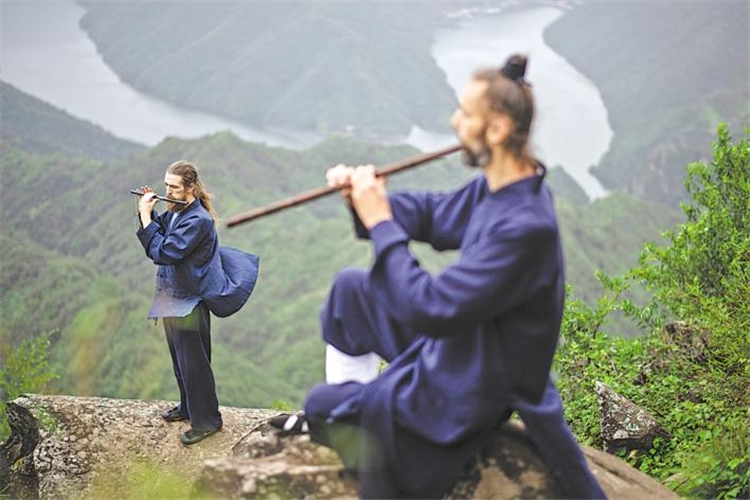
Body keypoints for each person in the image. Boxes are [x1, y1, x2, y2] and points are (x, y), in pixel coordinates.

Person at [273, 54, 606, 498]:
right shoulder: (500, 189)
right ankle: (369, 406)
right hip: (460, 348)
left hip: (471, 381)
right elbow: (435, 215)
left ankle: (373, 414)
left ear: (498, 129)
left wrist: (380, 223)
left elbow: (433, 308)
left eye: (465, 113)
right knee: (351, 291)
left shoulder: (525, 227)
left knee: (319, 405)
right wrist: (370, 200)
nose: (454, 122)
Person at [136, 160, 259, 445]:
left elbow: (164, 251)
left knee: (195, 363)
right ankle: (188, 407)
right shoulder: (177, 212)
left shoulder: (198, 220)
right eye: (166, 185)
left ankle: (207, 421)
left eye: (174, 187)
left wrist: (145, 217)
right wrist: (149, 211)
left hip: (189, 300)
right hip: (172, 295)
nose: (168, 191)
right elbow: (158, 230)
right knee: (180, 360)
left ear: (190, 187)